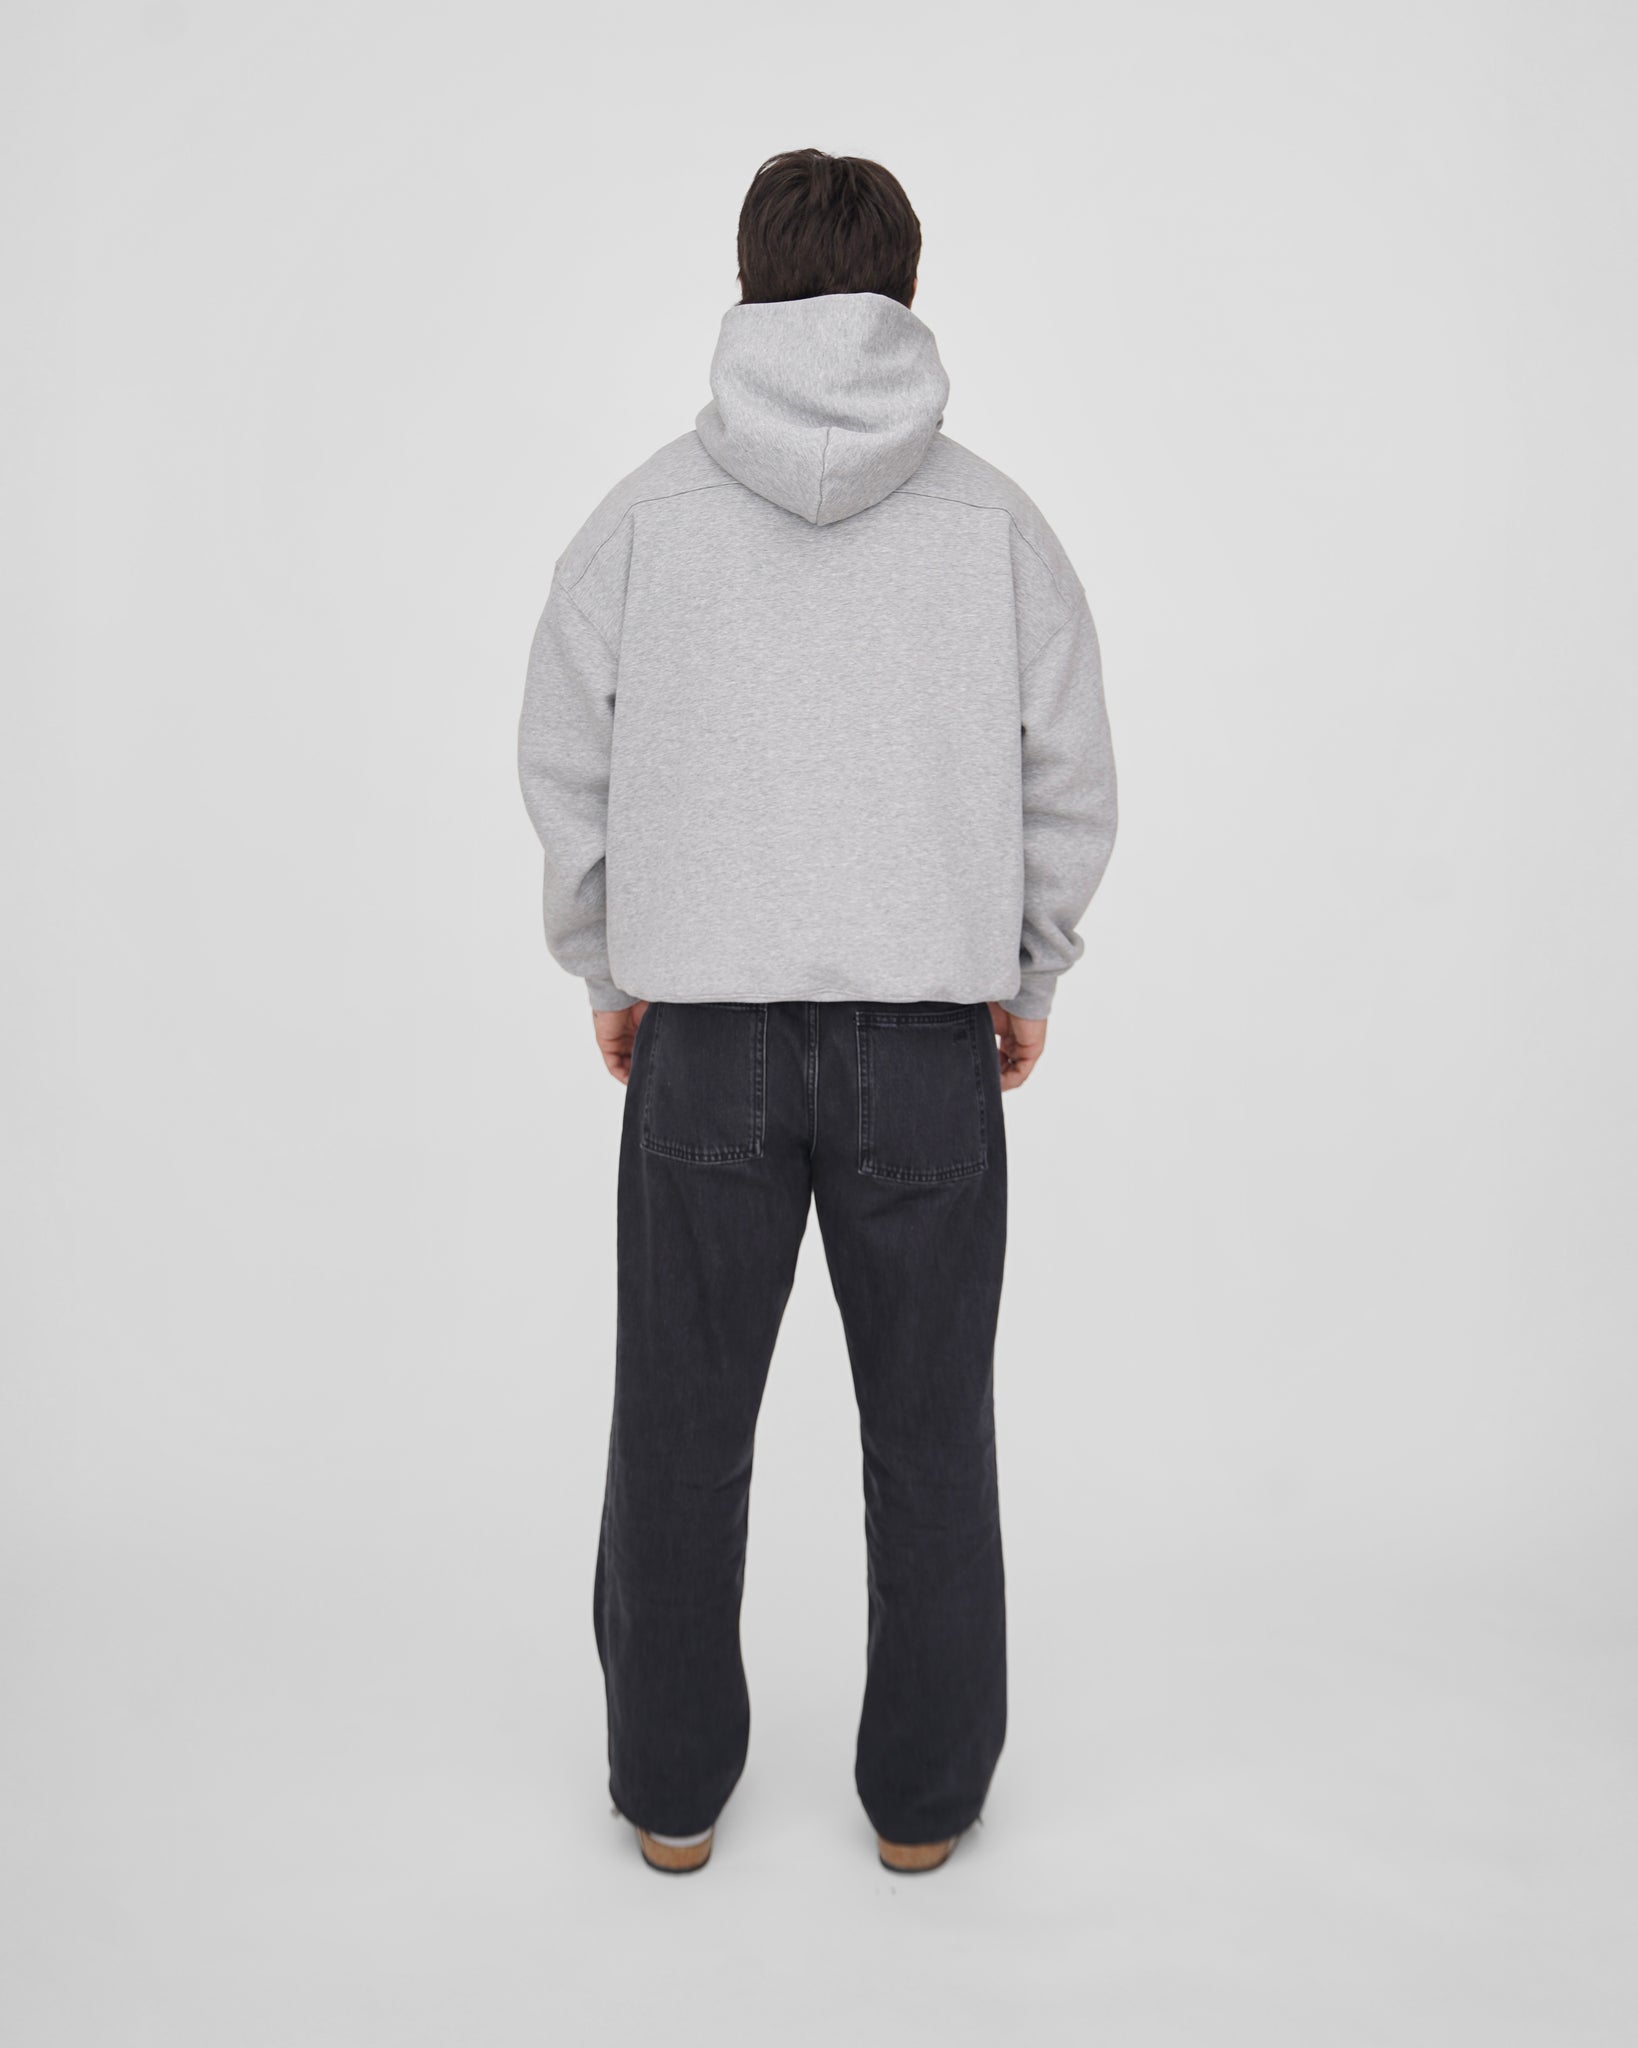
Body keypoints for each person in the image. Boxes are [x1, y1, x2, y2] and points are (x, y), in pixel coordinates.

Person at [518, 148, 1117, 1877]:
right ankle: (922, 1814)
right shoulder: (995, 526)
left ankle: (670, 1801)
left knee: (677, 1433)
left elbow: (565, 763)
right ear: (903, 289)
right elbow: (1067, 773)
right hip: (923, 1045)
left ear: (746, 282)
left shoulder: (644, 519)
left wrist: (610, 962)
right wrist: (1028, 968)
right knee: (929, 1438)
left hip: (701, 1038)